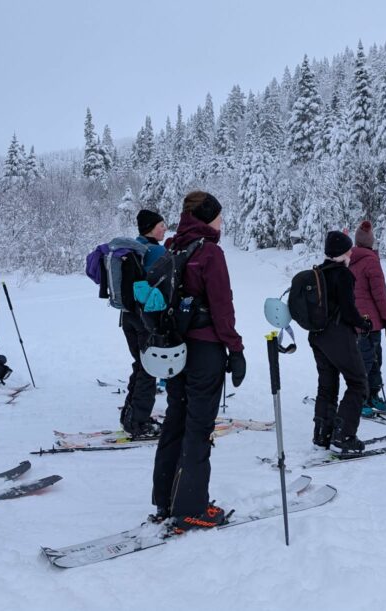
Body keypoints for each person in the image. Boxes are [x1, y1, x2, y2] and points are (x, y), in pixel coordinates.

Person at [151, 191, 245, 531]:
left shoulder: (173, 248)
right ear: (207, 217)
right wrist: (235, 350)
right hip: (205, 349)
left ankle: (166, 500)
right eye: (218, 215)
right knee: (198, 425)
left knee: (175, 418)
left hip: (176, 350)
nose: (222, 221)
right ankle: (191, 506)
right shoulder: (210, 253)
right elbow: (222, 307)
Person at [310, 230, 373, 455]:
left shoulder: (318, 273)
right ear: (341, 253)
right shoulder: (343, 275)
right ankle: (344, 435)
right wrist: (363, 324)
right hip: (338, 336)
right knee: (357, 382)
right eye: (348, 250)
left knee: (327, 385)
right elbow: (348, 310)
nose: (351, 253)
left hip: (317, 336)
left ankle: (322, 434)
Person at [119, 209, 167, 438]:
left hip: (128, 316)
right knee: (149, 369)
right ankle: (139, 423)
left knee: (140, 365)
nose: (165, 228)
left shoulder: (134, 248)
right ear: (150, 228)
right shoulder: (157, 250)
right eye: (161, 225)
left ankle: (130, 416)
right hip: (145, 319)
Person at [348, 221, 386, 414]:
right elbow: (379, 294)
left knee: (371, 360)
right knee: (370, 361)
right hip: (371, 322)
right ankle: (363, 399)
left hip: (358, 321)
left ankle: (372, 395)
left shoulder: (349, 259)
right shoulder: (370, 261)